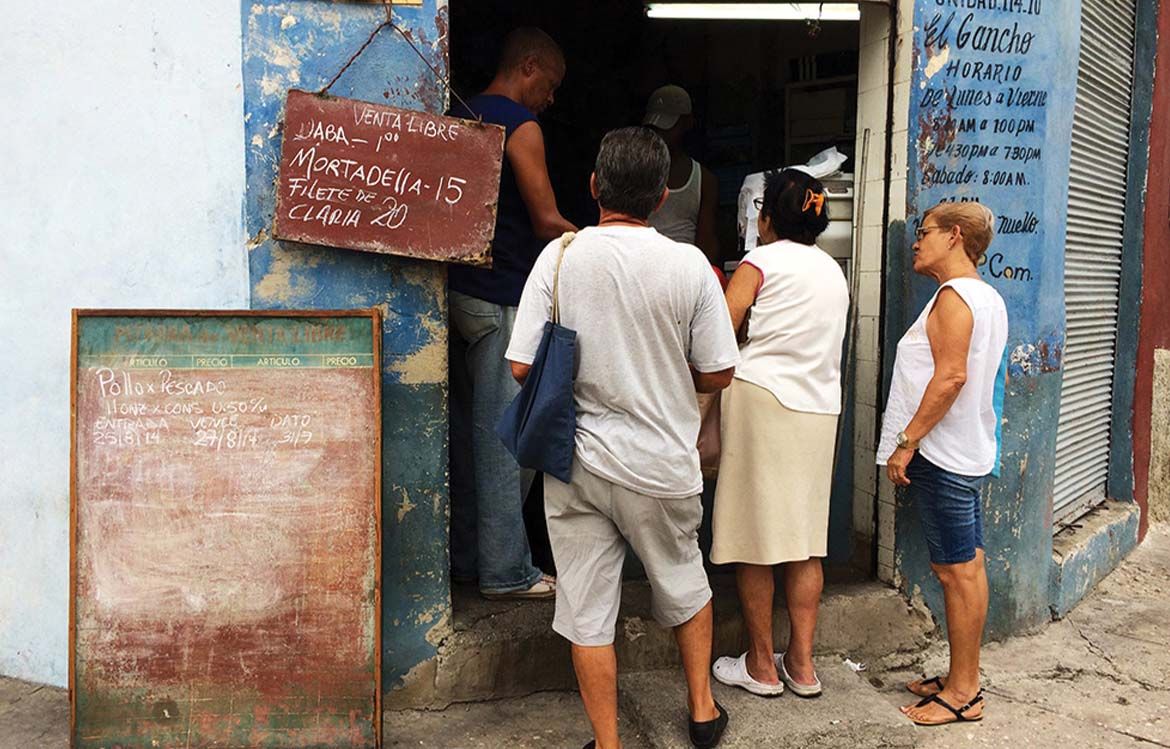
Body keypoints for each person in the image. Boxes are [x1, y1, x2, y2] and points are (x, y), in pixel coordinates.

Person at [506, 127, 739, 749]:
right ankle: (701, 713)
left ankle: (609, 744)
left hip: (575, 463)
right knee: (685, 583)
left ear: (592, 187)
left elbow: (522, 366)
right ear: (663, 197)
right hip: (661, 464)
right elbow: (719, 370)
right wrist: (664, 363)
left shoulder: (558, 257)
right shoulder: (689, 265)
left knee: (586, 610)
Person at [446, 27, 578, 600]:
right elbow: (546, 219)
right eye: (549, 86)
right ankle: (506, 569)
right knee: (506, 439)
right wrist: (604, 241)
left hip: (455, 295)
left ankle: (468, 560)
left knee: (467, 440)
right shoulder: (519, 126)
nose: (549, 100)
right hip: (503, 298)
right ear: (529, 66)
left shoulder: (458, 110)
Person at [709, 169, 849, 698]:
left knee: (755, 537)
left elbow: (721, 329)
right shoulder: (832, 272)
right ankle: (804, 667)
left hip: (761, 399)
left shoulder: (759, 261)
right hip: (819, 410)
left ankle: (762, 666)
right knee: (805, 540)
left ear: (766, 218)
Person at [877, 201, 1008, 726]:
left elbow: (950, 378)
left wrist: (907, 441)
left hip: (943, 455)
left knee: (956, 572)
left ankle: (963, 693)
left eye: (924, 231)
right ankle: (961, 676)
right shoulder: (984, 297)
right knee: (966, 566)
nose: (916, 240)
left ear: (954, 236)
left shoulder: (955, 299)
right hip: (964, 451)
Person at [642, 85, 721, 266]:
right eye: (655, 128)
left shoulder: (704, 180)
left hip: (685, 271)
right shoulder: (636, 172)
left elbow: (707, 242)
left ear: (687, 123)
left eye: (668, 127)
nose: (660, 135)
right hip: (643, 268)